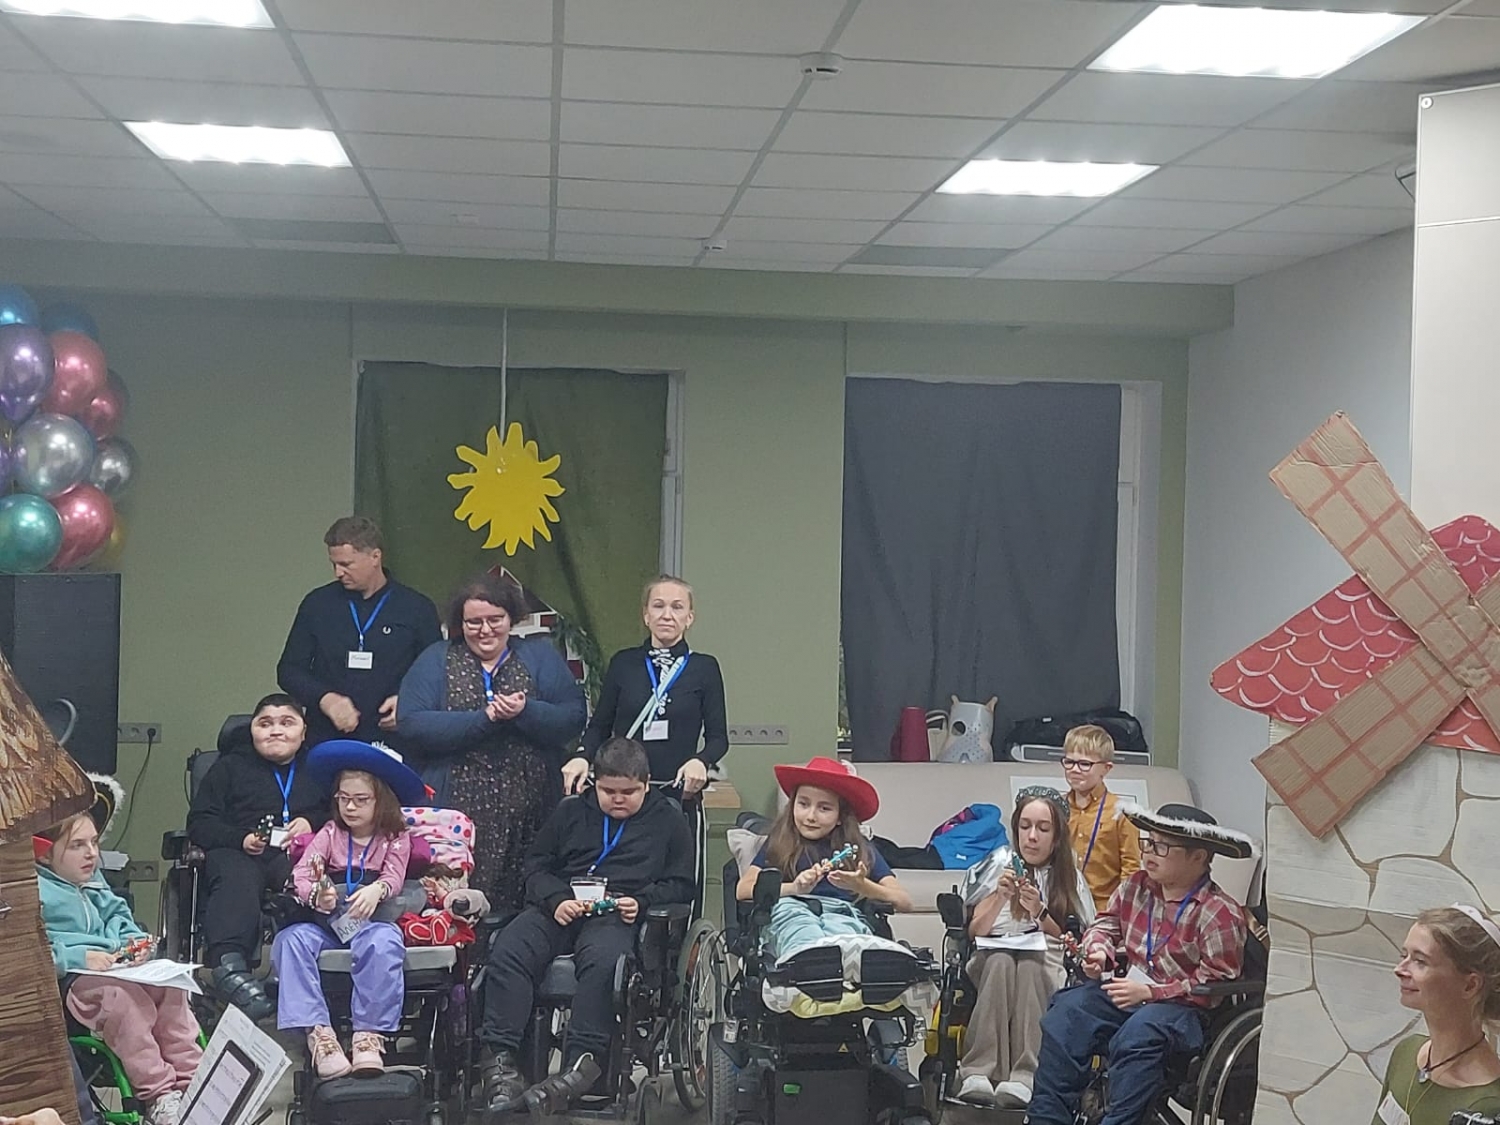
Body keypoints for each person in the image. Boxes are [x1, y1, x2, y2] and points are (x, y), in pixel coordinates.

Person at [477, 738, 694, 1112]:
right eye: (608, 791)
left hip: (618, 912)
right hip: (563, 905)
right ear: (595, 782)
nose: (618, 799)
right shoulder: (571, 811)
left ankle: (580, 1065)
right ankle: (502, 1061)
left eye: (629, 792)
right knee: (510, 947)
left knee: (605, 962)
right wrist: (556, 899)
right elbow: (535, 867)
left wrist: (642, 902)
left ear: (646, 784)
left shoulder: (668, 819)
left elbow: (681, 885)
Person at [1027, 803, 1251, 1125]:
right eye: (1148, 842)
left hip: (1185, 1008)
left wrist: (1151, 992)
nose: (1149, 853)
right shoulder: (1136, 886)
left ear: (1198, 857)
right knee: (1067, 1011)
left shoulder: (1219, 912)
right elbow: (1105, 925)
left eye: (1162, 847)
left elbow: (1215, 984)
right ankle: (1047, 1118)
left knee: (1140, 1032)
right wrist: (1098, 951)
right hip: (1131, 989)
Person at [396, 573, 587, 910]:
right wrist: (484, 719)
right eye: (474, 622)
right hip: (457, 809)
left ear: (511, 618)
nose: (485, 630)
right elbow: (411, 723)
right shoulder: (436, 659)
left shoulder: (539, 657)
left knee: (527, 897)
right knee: (457, 903)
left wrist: (526, 710)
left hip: (532, 808)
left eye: (495, 619)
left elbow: (572, 717)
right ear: (460, 623)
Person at [36, 787, 202, 1125]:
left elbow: (118, 915)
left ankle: (194, 1081)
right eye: (77, 845)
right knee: (124, 1000)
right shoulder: (36, 891)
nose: (91, 854)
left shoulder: (92, 880)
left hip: (115, 967)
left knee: (172, 984)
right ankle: (159, 1095)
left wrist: (132, 942)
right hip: (72, 981)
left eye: (94, 843)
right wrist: (80, 957)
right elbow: (36, 952)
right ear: (44, 854)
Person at [562, 576, 728, 903]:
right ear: (646, 615)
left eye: (677, 607)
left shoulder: (704, 668)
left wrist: (701, 760)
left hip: (674, 793)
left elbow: (719, 738)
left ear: (690, 617)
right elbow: (600, 726)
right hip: (621, 792)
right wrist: (581, 755)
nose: (667, 614)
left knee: (674, 883)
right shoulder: (624, 663)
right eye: (658, 606)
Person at [271, 740, 421, 1079]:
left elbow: (394, 876)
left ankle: (368, 1036)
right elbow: (302, 875)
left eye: (361, 800)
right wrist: (316, 895)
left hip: (372, 920)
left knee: (384, 942)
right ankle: (320, 1035)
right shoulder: (330, 832)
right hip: (328, 923)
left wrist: (377, 890)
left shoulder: (396, 835)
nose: (350, 807)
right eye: (343, 798)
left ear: (381, 800)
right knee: (291, 941)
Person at [187, 693, 330, 1018]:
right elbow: (200, 822)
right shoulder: (228, 767)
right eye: (265, 723)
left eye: (286, 723)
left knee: (311, 876)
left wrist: (311, 822)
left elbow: (341, 814)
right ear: (252, 730)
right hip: (240, 851)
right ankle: (228, 966)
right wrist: (241, 839)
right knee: (235, 876)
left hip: (299, 852)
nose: (276, 730)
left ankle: (307, 964)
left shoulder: (318, 769)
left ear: (303, 731)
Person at [955, 786, 1094, 1109]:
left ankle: (1026, 1075)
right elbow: (974, 931)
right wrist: (999, 897)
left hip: (1045, 956)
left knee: (1030, 966)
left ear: (1056, 837)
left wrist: (1039, 912)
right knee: (1001, 962)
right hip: (993, 951)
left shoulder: (1068, 877)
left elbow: (1075, 939)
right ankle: (978, 1071)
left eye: (1043, 829)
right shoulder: (997, 865)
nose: (1032, 837)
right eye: (1025, 826)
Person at [278, 516, 441, 749]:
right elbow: (289, 670)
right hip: (328, 737)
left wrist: (409, 704)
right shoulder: (317, 604)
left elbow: (436, 674)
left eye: (346, 564)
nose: (338, 572)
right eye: (334, 564)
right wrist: (325, 699)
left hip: (394, 739)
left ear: (375, 557)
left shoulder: (416, 608)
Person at [1370, 905, 1500, 1125]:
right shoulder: (1406, 1052)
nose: (1399, 969)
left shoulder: (1487, 1104)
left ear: (1470, 985)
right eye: (1404, 955)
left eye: (1420, 961)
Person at [736, 756, 911, 913]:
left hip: (844, 918)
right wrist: (794, 888)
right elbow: (743, 890)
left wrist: (864, 887)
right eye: (803, 804)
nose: (811, 816)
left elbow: (905, 902)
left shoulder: (859, 847)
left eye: (824, 808)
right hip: (792, 915)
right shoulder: (779, 841)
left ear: (841, 817)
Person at [1061, 724, 1141, 913]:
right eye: (1069, 762)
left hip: (1104, 910)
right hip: (1062, 904)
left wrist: (1120, 913)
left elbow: (1131, 869)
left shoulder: (1122, 812)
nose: (1074, 769)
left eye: (1085, 764)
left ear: (1106, 768)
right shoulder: (1056, 807)